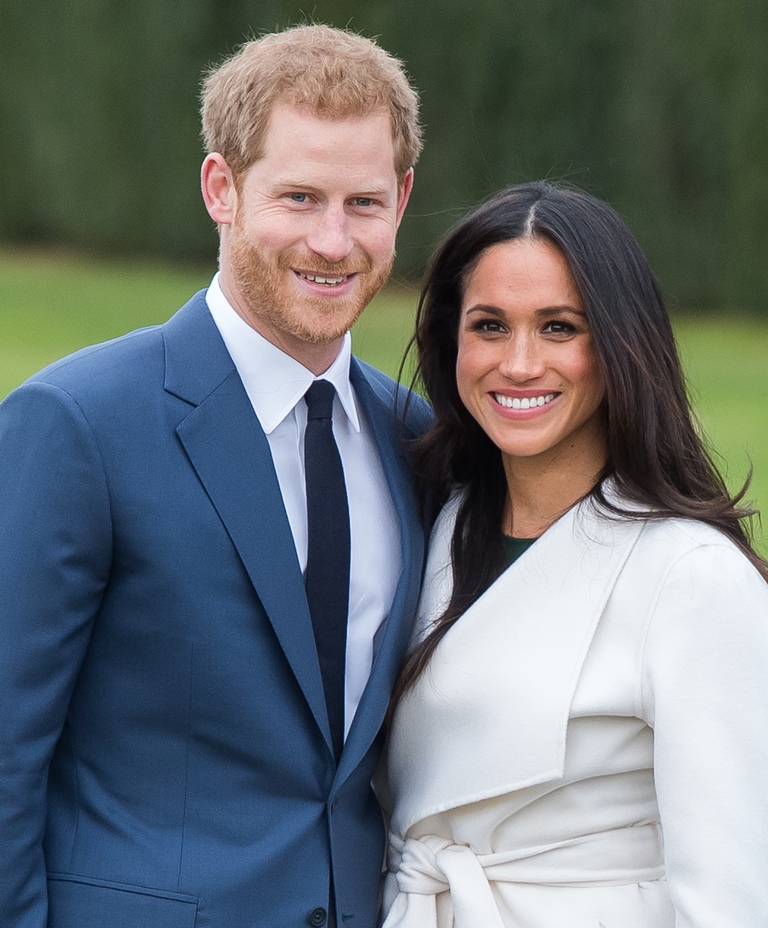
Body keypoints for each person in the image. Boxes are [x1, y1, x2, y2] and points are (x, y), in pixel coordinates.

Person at [0, 24, 431, 928]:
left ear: (403, 198)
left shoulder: (418, 440)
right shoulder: (77, 424)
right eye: (300, 196)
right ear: (221, 189)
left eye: (362, 202)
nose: (332, 239)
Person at [379, 181, 768, 927]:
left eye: (559, 328)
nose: (519, 364)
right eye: (489, 325)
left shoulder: (690, 577)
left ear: (620, 345)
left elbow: (732, 897)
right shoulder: (430, 525)